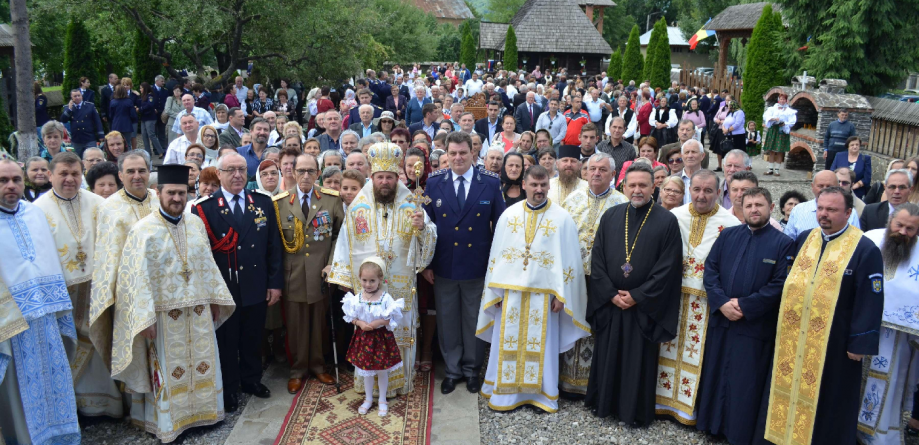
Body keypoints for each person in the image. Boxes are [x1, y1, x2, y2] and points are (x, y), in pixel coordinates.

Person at [111, 164, 236, 442]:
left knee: (203, 364)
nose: (177, 198)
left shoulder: (195, 223)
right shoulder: (143, 230)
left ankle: (205, 416)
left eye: (182, 193)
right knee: (169, 372)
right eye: (171, 193)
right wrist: (145, 319)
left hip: (200, 311)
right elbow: (134, 280)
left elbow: (207, 265)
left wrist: (215, 299)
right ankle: (172, 425)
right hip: (165, 319)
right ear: (158, 192)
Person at [757, 186, 883, 445]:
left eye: (832, 210)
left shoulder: (864, 248)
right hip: (794, 336)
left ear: (848, 213)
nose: (824, 214)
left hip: (835, 340)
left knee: (830, 396)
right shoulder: (805, 238)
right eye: (821, 208)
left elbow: (870, 300)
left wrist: (859, 343)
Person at [476, 164, 590, 412]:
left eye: (543, 185)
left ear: (550, 185)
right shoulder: (509, 215)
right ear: (524, 185)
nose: (539, 190)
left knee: (542, 347)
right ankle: (506, 395)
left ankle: (542, 395)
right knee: (508, 341)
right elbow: (496, 258)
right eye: (534, 185)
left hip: (544, 298)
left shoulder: (562, 218)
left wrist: (564, 297)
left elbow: (570, 262)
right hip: (511, 295)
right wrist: (494, 292)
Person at [328, 142, 437, 399]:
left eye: (390, 177)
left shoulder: (412, 203)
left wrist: (422, 228)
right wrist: (345, 279)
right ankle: (369, 387)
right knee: (368, 331)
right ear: (372, 177)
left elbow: (431, 238)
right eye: (380, 177)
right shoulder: (359, 206)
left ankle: (399, 383)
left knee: (398, 330)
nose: (385, 182)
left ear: (398, 177)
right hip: (367, 286)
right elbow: (345, 241)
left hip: (400, 283)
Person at [585, 162, 683, 425]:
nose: (637, 190)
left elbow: (668, 267)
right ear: (624, 187)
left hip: (643, 308)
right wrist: (609, 293)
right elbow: (598, 260)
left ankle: (633, 412)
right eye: (632, 185)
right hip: (612, 303)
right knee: (608, 356)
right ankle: (603, 404)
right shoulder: (612, 216)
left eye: (643, 185)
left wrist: (638, 295)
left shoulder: (667, 221)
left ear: (654, 187)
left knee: (636, 362)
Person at [695, 187, 794, 444]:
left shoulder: (783, 243)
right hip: (722, 320)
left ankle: (738, 432)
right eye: (748, 205)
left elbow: (779, 284)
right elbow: (711, 270)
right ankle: (711, 425)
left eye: (759, 205)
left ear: (770, 208)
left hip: (754, 326)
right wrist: (722, 302)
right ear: (741, 209)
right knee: (716, 373)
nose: (753, 210)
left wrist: (746, 306)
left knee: (745, 382)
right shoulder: (728, 235)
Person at [33, 152, 123, 418]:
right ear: (50, 175)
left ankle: (107, 404)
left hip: (97, 291)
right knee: (67, 348)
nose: (70, 179)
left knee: (100, 347)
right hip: (62, 296)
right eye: (63, 174)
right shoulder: (37, 210)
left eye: (75, 174)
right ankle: (74, 408)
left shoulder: (98, 203)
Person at [191, 153, 283, 412]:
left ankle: (251, 380)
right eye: (230, 170)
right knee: (227, 340)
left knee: (253, 337)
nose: (237, 175)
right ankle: (229, 387)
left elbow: (273, 246)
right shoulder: (204, 207)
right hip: (225, 287)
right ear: (218, 174)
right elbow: (200, 255)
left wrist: (274, 283)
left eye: (242, 169)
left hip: (255, 283)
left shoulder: (263, 202)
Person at [0, 159, 81, 445]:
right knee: (17, 390)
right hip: (12, 324)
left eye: (16, 180)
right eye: (3, 181)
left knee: (54, 379)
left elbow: (48, 261)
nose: (11, 186)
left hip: (46, 317)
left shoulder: (34, 214)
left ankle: (62, 436)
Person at [422, 133, 505, 394]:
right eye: (453, 153)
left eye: (463, 153)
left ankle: (471, 370)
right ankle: (452, 371)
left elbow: (501, 228)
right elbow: (424, 227)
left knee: (474, 320)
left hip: (477, 266)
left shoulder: (490, 184)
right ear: (446, 154)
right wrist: (425, 263)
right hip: (443, 265)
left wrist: (497, 268)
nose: (458, 158)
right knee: (447, 320)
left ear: (473, 153)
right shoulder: (434, 183)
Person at [656, 170, 741, 424]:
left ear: (718, 193)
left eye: (708, 191)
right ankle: (660, 401)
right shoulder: (673, 217)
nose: (701, 195)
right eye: (696, 190)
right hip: (672, 297)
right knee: (665, 349)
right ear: (689, 190)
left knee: (698, 353)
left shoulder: (732, 224)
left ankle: (688, 409)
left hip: (706, 303)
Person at [271, 153, 343, 394]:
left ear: (318, 174)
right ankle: (298, 369)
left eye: (310, 171)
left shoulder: (332, 200)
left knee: (319, 322)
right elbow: (274, 244)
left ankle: (318, 365)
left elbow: (339, 236)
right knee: (295, 324)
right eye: (300, 171)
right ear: (291, 172)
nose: (305, 176)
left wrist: (332, 263)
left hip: (321, 274)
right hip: (292, 275)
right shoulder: (280, 202)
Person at [559, 153, 628, 395]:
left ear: (612, 175)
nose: (596, 173)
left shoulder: (622, 204)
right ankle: (568, 382)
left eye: (602, 169)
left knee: (597, 329)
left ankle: (594, 383)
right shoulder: (571, 200)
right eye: (592, 169)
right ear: (585, 172)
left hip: (604, 280)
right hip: (575, 278)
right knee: (571, 323)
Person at [855, 203, 919, 445]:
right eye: (899, 225)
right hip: (860, 329)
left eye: (910, 229)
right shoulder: (870, 239)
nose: (902, 232)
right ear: (890, 221)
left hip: (897, 339)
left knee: (887, 384)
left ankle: (878, 436)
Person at [341, 257, 405, 417]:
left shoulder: (385, 299)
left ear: (380, 280)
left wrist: (377, 323)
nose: (367, 284)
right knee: (366, 370)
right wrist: (360, 324)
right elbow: (351, 317)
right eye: (364, 280)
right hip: (364, 339)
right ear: (360, 278)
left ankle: (382, 399)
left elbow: (392, 318)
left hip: (380, 339)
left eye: (372, 281)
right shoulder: (357, 298)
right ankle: (368, 399)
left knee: (381, 370)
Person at [785, 170, 862, 240]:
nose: (824, 190)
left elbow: (855, 242)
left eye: (829, 186)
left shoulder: (849, 213)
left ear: (838, 187)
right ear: (812, 187)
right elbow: (789, 243)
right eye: (820, 186)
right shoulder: (798, 210)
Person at [60, 88, 105, 157]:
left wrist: (101, 135)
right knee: (78, 158)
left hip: (89, 137)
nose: (77, 98)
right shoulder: (68, 107)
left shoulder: (90, 106)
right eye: (75, 96)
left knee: (92, 156)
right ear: (71, 97)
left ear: (82, 96)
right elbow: (63, 120)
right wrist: (69, 109)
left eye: (79, 95)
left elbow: (97, 121)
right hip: (77, 139)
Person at [762, 93, 797, 176]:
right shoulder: (773, 109)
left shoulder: (789, 111)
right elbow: (766, 116)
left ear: (786, 100)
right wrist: (773, 118)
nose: (782, 101)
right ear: (779, 100)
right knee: (771, 150)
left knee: (780, 151)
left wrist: (785, 123)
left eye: (784, 99)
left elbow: (792, 121)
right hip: (773, 130)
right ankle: (770, 169)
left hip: (782, 131)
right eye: (781, 99)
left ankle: (777, 170)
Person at [139, 82, 164, 157]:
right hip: (144, 118)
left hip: (150, 117)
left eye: (141, 88)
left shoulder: (150, 95)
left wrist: (141, 108)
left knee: (151, 134)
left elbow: (150, 105)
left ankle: (160, 151)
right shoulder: (142, 96)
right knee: (144, 135)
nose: (140, 89)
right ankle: (147, 152)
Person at [108, 85, 138, 150]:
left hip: (116, 125)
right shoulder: (129, 101)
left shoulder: (113, 102)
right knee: (128, 144)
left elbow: (110, 115)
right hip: (127, 124)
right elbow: (133, 115)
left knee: (117, 144)